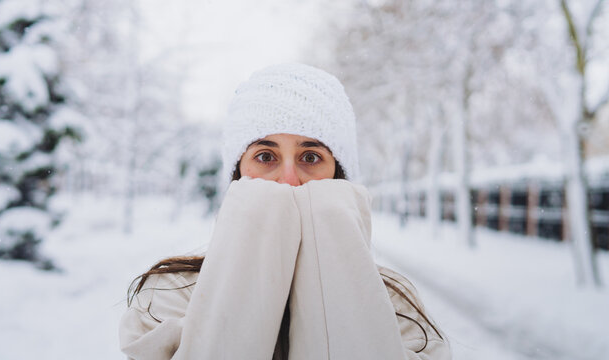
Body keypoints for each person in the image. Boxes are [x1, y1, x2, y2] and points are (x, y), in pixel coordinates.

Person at [119, 63, 451, 359]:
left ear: (339, 175)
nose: (289, 181)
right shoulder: (172, 293)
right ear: (238, 173)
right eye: (266, 156)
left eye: (310, 157)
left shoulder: (394, 302)